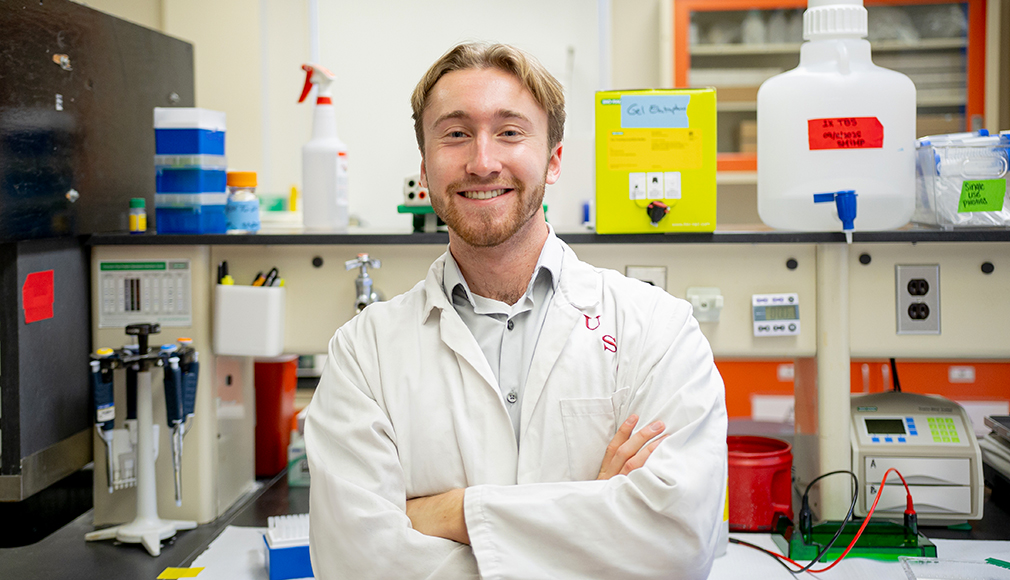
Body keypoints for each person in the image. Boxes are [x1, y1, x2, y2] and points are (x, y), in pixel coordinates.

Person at [305, 41, 728, 579]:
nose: (483, 162)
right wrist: (591, 514)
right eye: (455, 134)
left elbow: (676, 545)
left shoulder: (658, 331)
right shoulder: (362, 355)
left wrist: (452, 512)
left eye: (510, 132)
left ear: (553, 159)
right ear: (426, 165)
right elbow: (356, 563)